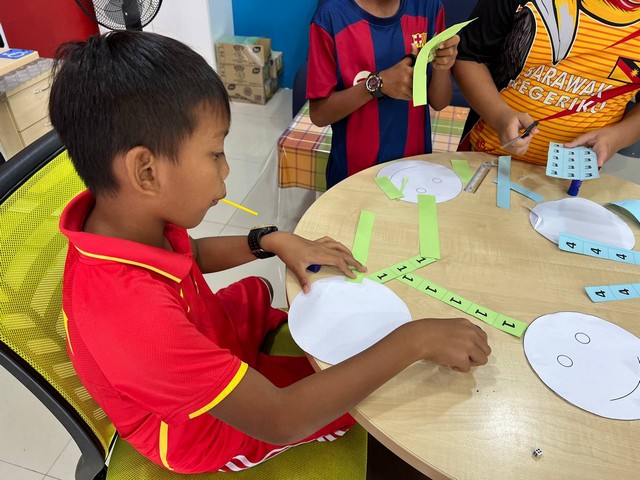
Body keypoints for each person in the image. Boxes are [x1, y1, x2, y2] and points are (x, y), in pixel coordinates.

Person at [50, 31, 491, 475]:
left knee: (259, 291)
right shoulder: (134, 317)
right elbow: (282, 419)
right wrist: (416, 340)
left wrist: (271, 240)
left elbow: (191, 254)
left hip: (198, 329)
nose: (226, 170)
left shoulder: (127, 217)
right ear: (146, 171)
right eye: (215, 153)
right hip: (195, 431)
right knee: (365, 404)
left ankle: (247, 344)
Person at [453, 0, 640, 167]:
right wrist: (500, 116)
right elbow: (468, 57)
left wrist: (617, 137)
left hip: (573, 175)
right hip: (485, 156)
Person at [307, 0, 460, 189]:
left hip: (414, 170)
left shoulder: (428, 7)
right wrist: (378, 84)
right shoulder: (330, 17)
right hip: (353, 176)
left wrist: (442, 65)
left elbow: (439, 101)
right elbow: (319, 114)